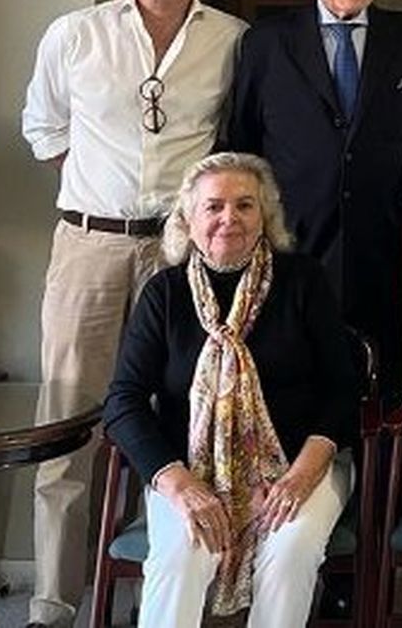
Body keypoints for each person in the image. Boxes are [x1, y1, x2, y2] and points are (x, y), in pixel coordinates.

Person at [20, 0, 245, 628]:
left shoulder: (232, 41)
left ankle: (166, 593)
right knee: (69, 420)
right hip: (90, 245)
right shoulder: (77, 34)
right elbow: (43, 128)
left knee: (182, 416)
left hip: (182, 252)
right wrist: (101, 192)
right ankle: (56, 600)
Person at [103, 153, 359, 627]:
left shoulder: (303, 281)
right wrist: (179, 485)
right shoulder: (165, 294)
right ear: (188, 219)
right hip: (190, 472)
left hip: (302, 465)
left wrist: (299, 478)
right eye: (214, 206)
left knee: (291, 548)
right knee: (180, 556)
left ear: (265, 216)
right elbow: (124, 401)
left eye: (245, 205)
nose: (229, 219)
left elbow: (343, 389)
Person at [223, 0, 402, 400]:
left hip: (381, 244)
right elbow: (243, 145)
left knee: (377, 388)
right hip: (290, 243)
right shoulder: (266, 42)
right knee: (290, 382)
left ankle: (372, 479)